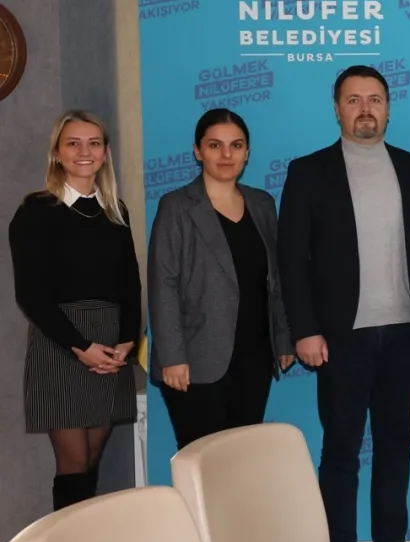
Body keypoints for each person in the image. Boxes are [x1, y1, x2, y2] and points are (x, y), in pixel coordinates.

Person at [277, 66, 410, 542]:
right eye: (354, 100)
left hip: (404, 331)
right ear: (337, 109)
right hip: (339, 336)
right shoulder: (308, 171)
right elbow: (291, 259)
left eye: (375, 100)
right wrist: (304, 329)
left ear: (388, 108)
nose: (365, 110)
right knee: (341, 449)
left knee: (396, 445)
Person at [8, 110, 140, 510]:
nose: (85, 151)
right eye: (73, 143)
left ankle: (82, 541)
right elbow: (30, 294)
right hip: (61, 342)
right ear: (57, 152)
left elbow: (130, 285)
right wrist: (80, 346)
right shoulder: (35, 211)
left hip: (110, 345)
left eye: (94, 143)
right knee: (73, 464)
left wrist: (127, 341)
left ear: (105, 153)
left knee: (91, 462)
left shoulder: (115, 210)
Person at [148, 109, 296, 450]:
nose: (226, 154)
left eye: (236, 145)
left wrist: (283, 338)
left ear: (247, 152)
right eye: (215, 145)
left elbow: (275, 278)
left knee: (239, 462)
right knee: (202, 463)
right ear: (198, 151)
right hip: (194, 361)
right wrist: (172, 356)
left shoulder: (262, 203)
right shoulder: (176, 206)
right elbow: (163, 284)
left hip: (255, 358)